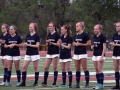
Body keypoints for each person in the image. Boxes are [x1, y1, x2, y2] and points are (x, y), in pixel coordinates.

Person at [41, 22, 60, 87]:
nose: (50, 27)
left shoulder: (57, 34)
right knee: (46, 67)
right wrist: (47, 43)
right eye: (49, 26)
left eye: (51, 26)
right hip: (49, 52)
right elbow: (47, 44)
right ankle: (45, 82)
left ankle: (54, 83)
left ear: (54, 27)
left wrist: (51, 42)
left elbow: (58, 44)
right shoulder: (49, 35)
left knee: (54, 67)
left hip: (55, 52)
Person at [72, 22, 91, 88]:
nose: (76, 27)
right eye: (76, 26)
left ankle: (87, 84)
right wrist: (75, 44)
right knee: (77, 69)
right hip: (76, 53)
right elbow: (73, 42)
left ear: (81, 27)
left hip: (82, 53)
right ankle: (77, 84)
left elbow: (89, 43)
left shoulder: (85, 35)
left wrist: (81, 44)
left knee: (85, 68)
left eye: (77, 26)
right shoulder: (76, 35)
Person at [91, 24, 106, 89]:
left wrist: (102, 56)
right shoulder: (95, 36)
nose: (95, 30)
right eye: (94, 29)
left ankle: (101, 84)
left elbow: (104, 47)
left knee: (100, 70)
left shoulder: (103, 36)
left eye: (96, 29)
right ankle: (98, 84)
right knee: (96, 70)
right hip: (95, 54)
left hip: (100, 55)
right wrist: (93, 46)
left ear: (100, 29)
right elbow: (96, 45)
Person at [110, 22, 120, 89]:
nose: (117, 27)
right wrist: (112, 45)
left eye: (118, 26)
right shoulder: (115, 35)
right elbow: (113, 43)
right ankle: (117, 85)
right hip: (115, 53)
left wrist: (116, 45)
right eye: (116, 26)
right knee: (116, 69)